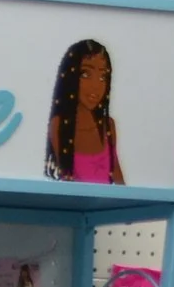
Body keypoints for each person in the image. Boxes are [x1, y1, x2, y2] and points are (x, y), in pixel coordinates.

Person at [45, 39, 123, 184]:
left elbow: (118, 178)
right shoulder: (59, 126)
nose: (96, 86)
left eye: (102, 77)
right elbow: (69, 184)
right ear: (70, 76)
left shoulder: (108, 126)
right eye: (86, 74)